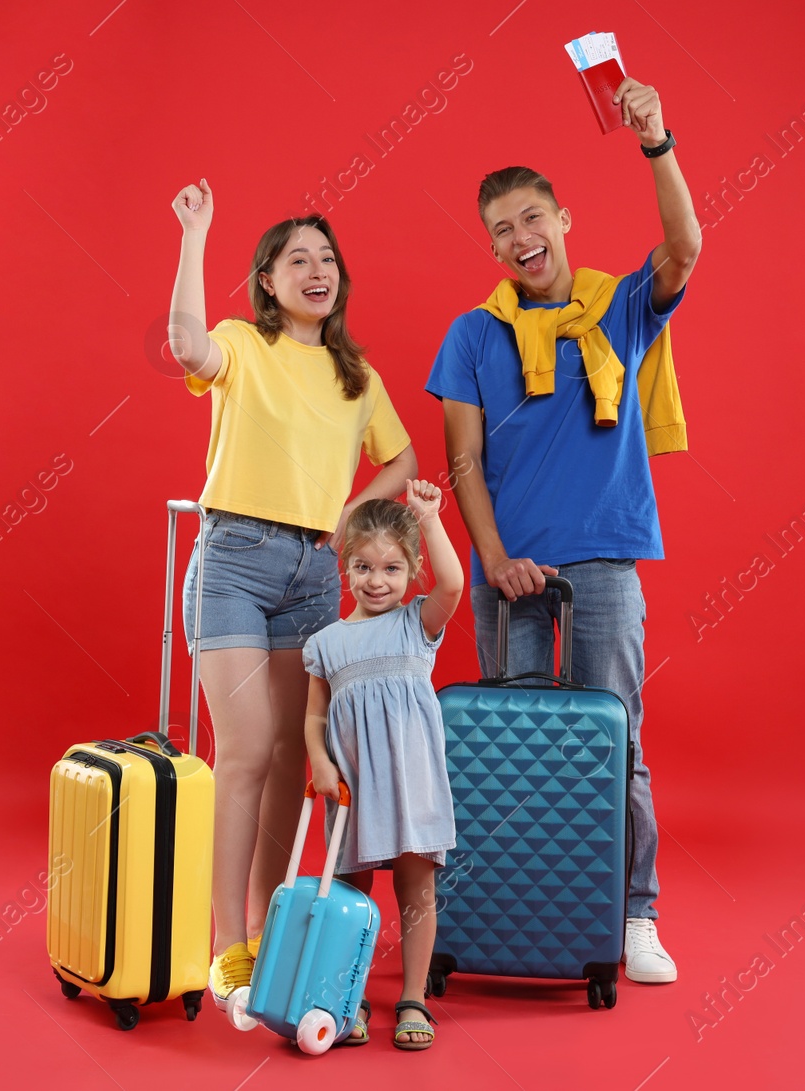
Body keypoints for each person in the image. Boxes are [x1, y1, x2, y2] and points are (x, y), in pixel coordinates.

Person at [423, 79, 702, 984]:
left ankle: (634, 914)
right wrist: (494, 557)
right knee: (506, 756)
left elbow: (685, 248)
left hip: (604, 563)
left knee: (616, 742)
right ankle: (507, 906)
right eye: (501, 228)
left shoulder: (618, 307)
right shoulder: (472, 334)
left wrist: (655, 142)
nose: (520, 239)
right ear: (491, 243)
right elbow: (462, 460)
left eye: (531, 217)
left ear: (562, 217)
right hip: (507, 573)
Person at [165, 178, 420, 1010]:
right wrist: (196, 233)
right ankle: (225, 944)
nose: (318, 269)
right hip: (234, 557)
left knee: (288, 758)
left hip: (313, 570)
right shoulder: (241, 342)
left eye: (327, 258)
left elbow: (402, 459)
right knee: (242, 749)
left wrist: (345, 520)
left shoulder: (358, 376)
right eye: (295, 259)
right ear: (267, 282)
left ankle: (268, 925)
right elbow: (185, 345)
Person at [303, 481, 464, 1050]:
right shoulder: (326, 643)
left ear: (411, 570)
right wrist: (320, 761)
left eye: (393, 569)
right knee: (351, 894)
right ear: (345, 567)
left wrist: (428, 517)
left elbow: (455, 583)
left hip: (412, 783)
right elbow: (313, 717)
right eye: (365, 567)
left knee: (417, 892)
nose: (378, 581)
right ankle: (351, 997)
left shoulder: (418, 624)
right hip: (354, 789)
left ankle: (414, 998)